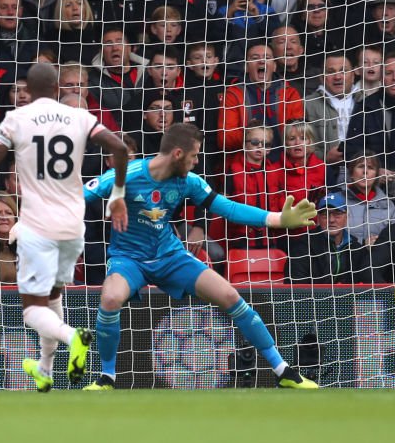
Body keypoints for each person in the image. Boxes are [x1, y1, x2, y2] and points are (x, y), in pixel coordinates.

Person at [81, 122, 319, 390]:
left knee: (230, 296)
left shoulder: (189, 182)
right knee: (111, 299)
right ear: (178, 154)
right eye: (194, 155)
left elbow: (227, 208)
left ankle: (283, 371)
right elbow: (77, 197)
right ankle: (106, 378)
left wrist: (276, 219)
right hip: (129, 259)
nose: (196, 162)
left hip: (170, 256)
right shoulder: (127, 175)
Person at [0, 63, 130, 393]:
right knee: (55, 295)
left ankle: (73, 336)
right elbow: (118, 147)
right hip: (73, 226)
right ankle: (44, 370)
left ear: (28, 91)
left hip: (37, 226)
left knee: (33, 308)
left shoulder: (17, 118)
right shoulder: (79, 117)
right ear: (59, 88)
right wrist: (117, 196)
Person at [285, 191, 373, 284]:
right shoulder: (303, 247)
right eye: (325, 214)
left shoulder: (356, 248)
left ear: (347, 217)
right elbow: (295, 287)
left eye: (337, 213)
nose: (331, 220)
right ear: (318, 219)